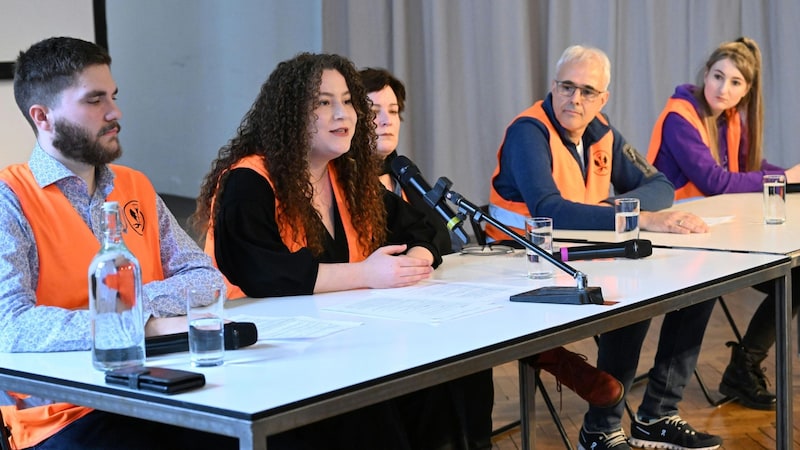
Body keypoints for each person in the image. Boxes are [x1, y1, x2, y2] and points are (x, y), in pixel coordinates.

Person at [192, 52, 493, 449]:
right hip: (267, 354)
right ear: (289, 114)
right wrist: (368, 274)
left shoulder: (347, 177)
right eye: (324, 102)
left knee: (455, 373)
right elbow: (262, 272)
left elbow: (426, 229)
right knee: (374, 408)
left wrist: (413, 264)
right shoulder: (248, 181)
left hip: (341, 338)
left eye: (349, 102)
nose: (343, 114)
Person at [0, 37, 238, 450]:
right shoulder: (9, 199)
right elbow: (11, 328)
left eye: (113, 96)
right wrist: (140, 323)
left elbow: (206, 281)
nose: (115, 113)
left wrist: (134, 311)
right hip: (66, 414)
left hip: (161, 387)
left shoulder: (134, 185)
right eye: (94, 100)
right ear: (43, 116)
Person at [487, 44, 720, 450]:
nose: (575, 99)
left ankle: (657, 414)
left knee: (698, 285)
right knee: (632, 294)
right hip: (521, 261)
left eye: (587, 92)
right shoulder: (529, 131)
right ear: (553, 87)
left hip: (578, 252)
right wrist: (636, 217)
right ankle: (601, 431)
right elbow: (548, 209)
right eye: (567, 87)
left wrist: (614, 208)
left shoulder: (601, 130)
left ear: (602, 99)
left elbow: (661, 186)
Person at [360, 66, 625, 409]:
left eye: (393, 112)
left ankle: (551, 360)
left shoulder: (402, 172)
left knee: (501, 294)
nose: (387, 121)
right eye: (374, 112)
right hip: (382, 305)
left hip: (427, 287)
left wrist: (422, 253)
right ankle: (555, 360)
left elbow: (441, 236)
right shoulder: (343, 182)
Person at [647, 36, 800, 411]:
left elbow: (751, 169)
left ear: (747, 92)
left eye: (735, 83)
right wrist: (789, 179)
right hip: (675, 242)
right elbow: (716, 181)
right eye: (718, 76)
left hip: (717, 235)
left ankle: (743, 366)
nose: (723, 88)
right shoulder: (680, 118)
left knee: (797, 274)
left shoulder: (729, 119)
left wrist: (791, 174)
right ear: (705, 74)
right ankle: (660, 407)